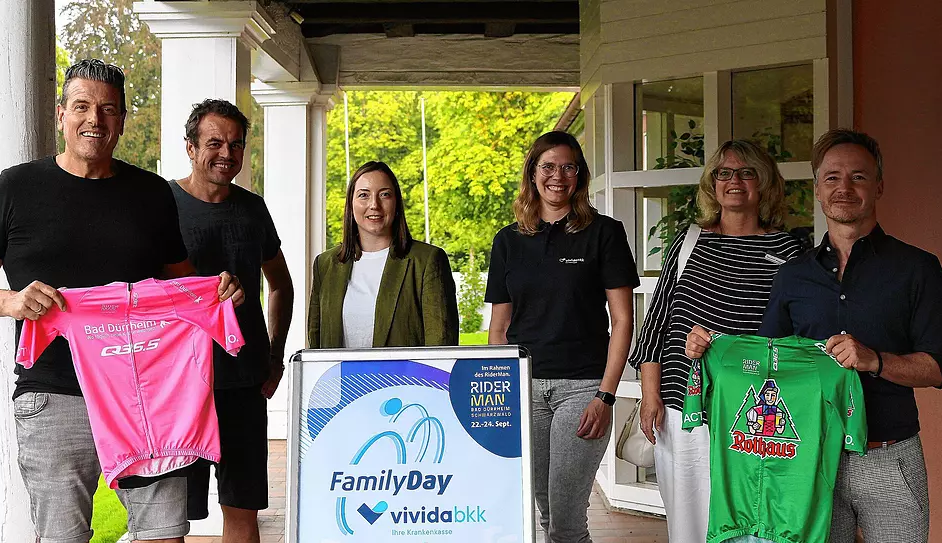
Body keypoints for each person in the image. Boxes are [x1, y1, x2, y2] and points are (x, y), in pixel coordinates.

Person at [0, 60, 242, 543]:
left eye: (108, 109)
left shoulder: (150, 193)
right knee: (62, 538)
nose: (95, 120)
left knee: (163, 535)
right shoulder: (15, 188)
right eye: (82, 106)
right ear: (61, 113)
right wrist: (13, 302)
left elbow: (181, 284)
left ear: (123, 118)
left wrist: (218, 292)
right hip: (55, 391)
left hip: (151, 395)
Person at [749, 129, 942, 542]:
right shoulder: (793, 275)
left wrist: (873, 360)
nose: (844, 188)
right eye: (832, 178)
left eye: (858, 177)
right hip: (808, 456)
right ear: (818, 191)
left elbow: (936, 368)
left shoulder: (917, 269)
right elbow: (769, 360)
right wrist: (711, 346)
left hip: (889, 456)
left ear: (879, 186)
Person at [630, 140, 802, 543]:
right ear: (712, 184)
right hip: (683, 407)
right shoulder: (689, 243)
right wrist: (651, 396)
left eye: (746, 172)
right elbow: (656, 326)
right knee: (689, 524)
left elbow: (796, 334)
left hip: (752, 413)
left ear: (764, 183)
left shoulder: (787, 249)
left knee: (749, 523)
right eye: (723, 173)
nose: (734, 181)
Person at [486, 131, 639, 543]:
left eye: (568, 166)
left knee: (566, 523)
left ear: (580, 175)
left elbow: (623, 320)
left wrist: (606, 396)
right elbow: (499, 327)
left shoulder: (604, 233)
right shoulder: (508, 240)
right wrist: (503, 389)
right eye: (548, 166)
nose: (558, 176)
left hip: (583, 388)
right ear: (532, 174)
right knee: (544, 511)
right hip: (524, 389)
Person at [170, 99, 294, 542]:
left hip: (244, 381)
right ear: (190, 146)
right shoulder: (163, 205)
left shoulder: (253, 208)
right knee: (167, 518)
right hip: (179, 385)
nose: (227, 153)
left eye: (236, 144)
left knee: (242, 511)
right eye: (215, 142)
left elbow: (281, 284)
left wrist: (275, 355)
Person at [307, 161, 458, 348]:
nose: (374, 205)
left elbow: (441, 346)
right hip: (339, 378)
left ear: (396, 203)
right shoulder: (325, 264)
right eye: (363, 195)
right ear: (350, 205)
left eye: (384, 195)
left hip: (406, 378)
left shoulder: (427, 261)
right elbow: (315, 345)